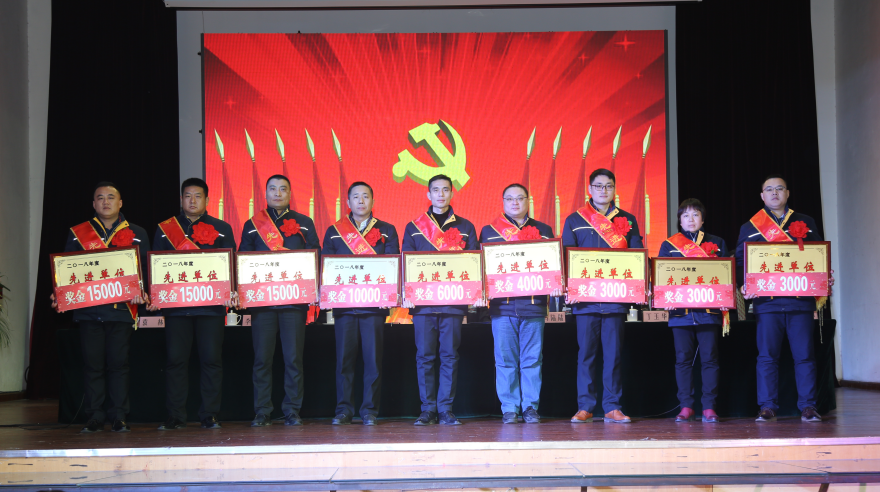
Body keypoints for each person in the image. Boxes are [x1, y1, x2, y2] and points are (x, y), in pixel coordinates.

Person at [51, 182, 150, 433]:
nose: (106, 202)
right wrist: (59, 294)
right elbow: (67, 270)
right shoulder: (79, 233)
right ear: (93, 204)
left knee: (119, 365)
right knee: (92, 365)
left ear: (120, 203)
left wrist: (144, 292)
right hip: (89, 310)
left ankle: (119, 416)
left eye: (111, 197)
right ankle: (94, 416)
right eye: (100, 198)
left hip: (122, 310)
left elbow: (146, 271)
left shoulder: (138, 232)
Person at [735, 174, 832, 423]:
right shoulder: (750, 227)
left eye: (780, 188)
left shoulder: (806, 221)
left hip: (800, 301)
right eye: (769, 189)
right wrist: (744, 285)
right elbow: (740, 262)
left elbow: (817, 256)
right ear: (762, 196)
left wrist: (824, 276)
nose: (775, 193)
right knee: (767, 357)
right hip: (767, 302)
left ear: (788, 193)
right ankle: (767, 406)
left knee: (805, 356)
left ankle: (808, 406)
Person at [148, 178, 236, 430]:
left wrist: (232, 290)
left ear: (207, 200)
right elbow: (156, 265)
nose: (193, 200)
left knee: (211, 360)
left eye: (198, 196)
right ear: (181, 199)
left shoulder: (221, 228)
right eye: (188, 196)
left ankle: (210, 414)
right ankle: (176, 415)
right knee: (176, 361)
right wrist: (155, 294)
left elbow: (230, 264)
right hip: (177, 308)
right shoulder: (165, 229)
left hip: (211, 307)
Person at [562, 168, 643, 424]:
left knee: (613, 355)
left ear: (614, 189)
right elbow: (566, 257)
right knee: (586, 355)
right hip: (585, 300)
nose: (603, 190)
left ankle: (612, 406)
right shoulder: (574, 219)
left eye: (608, 186)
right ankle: (585, 406)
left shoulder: (628, 219)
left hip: (615, 298)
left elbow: (637, 256)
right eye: (598, 186)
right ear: (589, 189)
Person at [239, 175, 321, 427]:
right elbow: (243, 259)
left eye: (283, 189)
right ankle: (262, 410)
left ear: (290, 193)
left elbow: (315, 256)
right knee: (262, 359)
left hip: (293, 303)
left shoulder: (304, 223)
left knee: (293, 359)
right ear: (265, 193)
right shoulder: (252, 225)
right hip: (262, 304)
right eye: (273, 189)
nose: (277, 193)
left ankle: (292, 410)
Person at [401, 174, 480, 426]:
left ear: (452, 193)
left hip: (452, 304)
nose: (441, 194)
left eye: (445, 190)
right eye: (436, 190)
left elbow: (474, 264)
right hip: (423, 305)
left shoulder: (466, 227)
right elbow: (406, 264)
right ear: (428, 194)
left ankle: (445, 409)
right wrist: (407, 294)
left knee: (449, 356)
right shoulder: (414, 227)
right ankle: (427, 409)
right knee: (424, 357)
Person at [479, 184, 559, 424]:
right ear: (503, 202)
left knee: (532, 360)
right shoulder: (490, 232)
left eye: (520, 198)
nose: (515, 203)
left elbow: (553, 266)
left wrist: (557, 283)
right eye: (510, 199)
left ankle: (530, 407)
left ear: (528, 201)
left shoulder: (543, 230)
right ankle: (509, 408)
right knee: (505, 360)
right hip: (502, 308)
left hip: (533, 306)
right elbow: (481, 268)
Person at [321, 182, 400, 426]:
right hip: (344, 307)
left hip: (373, 307)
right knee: (344, 360)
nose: (361, 201)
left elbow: (393, 264)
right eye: (356, 197)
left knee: (372, 360)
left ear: (373, 201)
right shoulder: (334, 231)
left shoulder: (387, 230)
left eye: (366, 196)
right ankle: (343, 409)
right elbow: (326, 267)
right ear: (348, 202)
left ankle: (369, 411)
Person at [656, 198, 728, 424]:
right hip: (680, 313)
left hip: (709, 311)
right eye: (685, 215)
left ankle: (709, 407)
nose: (690, 219)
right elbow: (662, 277)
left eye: (695, 214)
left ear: (702, 219)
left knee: (710, 360)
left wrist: (725, 297)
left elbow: (726, 276)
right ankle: (686, 406)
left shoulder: (717, 242)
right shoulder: (669, 245)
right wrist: (665, 298)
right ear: (679, 220)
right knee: (683, 360)